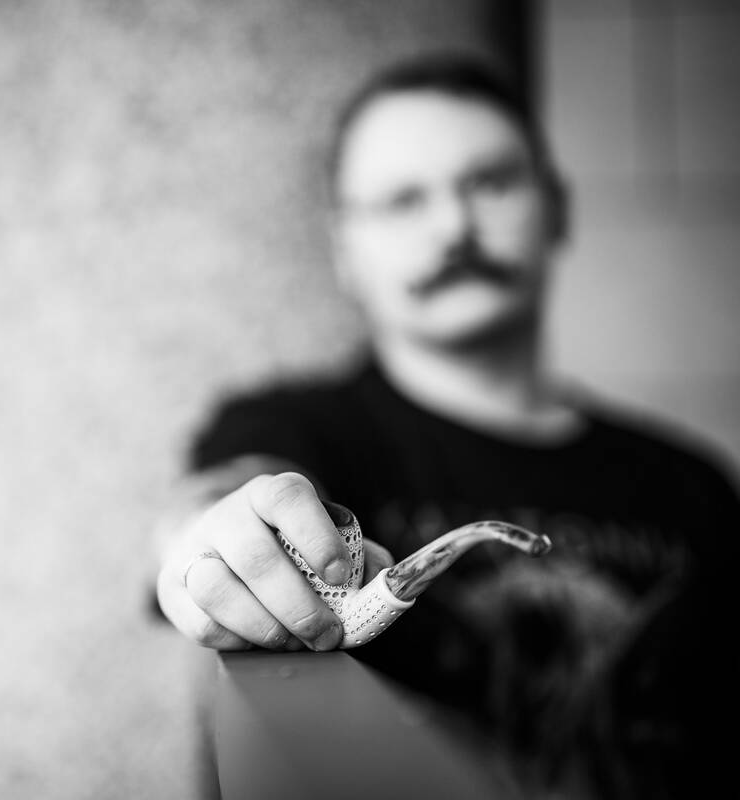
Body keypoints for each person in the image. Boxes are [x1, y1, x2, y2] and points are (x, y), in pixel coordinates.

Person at [152, 53, 740, 799]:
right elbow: (221, 494)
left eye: (492, 182)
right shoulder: (299, 429)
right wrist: (207, 538)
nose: (455, 226)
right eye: (403, 200)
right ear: (344, 250)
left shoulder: (691, 486)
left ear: (557, 209)